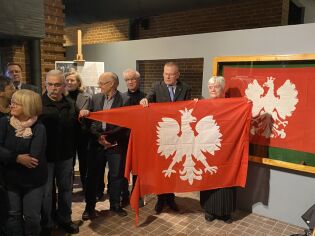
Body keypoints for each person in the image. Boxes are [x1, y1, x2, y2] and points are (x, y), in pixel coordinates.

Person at [140, 61, 191, 214]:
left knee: (174, 167)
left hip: (177, 136)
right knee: (161, 167)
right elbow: (148, 98)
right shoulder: (157, 86)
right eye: (165, 73)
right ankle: (161, 198)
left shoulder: (186, 88)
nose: (168, 77)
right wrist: (145, 101)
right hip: (162, 135)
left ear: (178, 75)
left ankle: (170, 197)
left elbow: (188, 107)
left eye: (171, 74)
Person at [81, 72, 128, 220]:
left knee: (116, 176)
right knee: (93, 176)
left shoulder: (125, 100)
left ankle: (115, 205)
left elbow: (124, 124)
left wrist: (108, 137)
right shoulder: (95, 98)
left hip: (115, 144)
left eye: (102, 83)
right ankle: (89, 208)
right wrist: (99, 137)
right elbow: (92, 121)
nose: (99, 85)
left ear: (112, 84)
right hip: (97, 144)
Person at [0, 89, 47, 236]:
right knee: (13, 215)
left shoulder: (39, 127)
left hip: (33, 180)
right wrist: (17, 158)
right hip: (10, 180)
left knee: (32, 217)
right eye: (12, 102)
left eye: (16, 103)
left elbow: (33, 158)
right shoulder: (3, 123)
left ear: (28, 106)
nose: (11, 105)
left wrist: (7, 154)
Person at [40, 70, 79, 235]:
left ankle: (65, 219)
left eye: (57, 85)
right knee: (47, 193)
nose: (53, 88)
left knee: (65, 190)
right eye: (50, 84)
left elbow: (78, 128)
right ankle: (47, 223)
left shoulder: (70, 104)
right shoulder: (38, 104)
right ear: (45, 84)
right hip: (45, 157)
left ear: (64, 86)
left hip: (65, 156)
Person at [200, 76, 235, 223]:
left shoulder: (232, 105)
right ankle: (209, 210)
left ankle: (225, 212)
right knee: (209, 177)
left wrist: (247, 104)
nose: (212, 89)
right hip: (208, 147)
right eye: (210, 86)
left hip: (227, 149)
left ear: (223, 88)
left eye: (216, 86)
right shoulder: (203, 105)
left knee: (226, 179)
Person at [120, 68, 146, 207]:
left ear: (138, 80)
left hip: (139, 139)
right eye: (127, 80)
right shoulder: (121, 97)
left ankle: (137, 195)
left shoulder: (146, 97)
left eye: (133, 79)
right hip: (123, 138)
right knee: (123, 167)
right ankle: (124, 195)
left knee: (137, 169)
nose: (130, 82)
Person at [65, 69, 91, 192]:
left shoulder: (86, 97)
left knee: (84, 163)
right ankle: (68, 188)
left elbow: (82, 115)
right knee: (68, 164)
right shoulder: (61, 97)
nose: (69, 82)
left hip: (82, 135)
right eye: (67, 80)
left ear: (78, 82)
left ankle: (86, 188)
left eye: (72, 80)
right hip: (67, 136)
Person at [0, 75, 15, 235]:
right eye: (10, 88)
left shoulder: (12, 112)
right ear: (1, 93)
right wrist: (15, 157)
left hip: (12, 170)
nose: (14, 90)